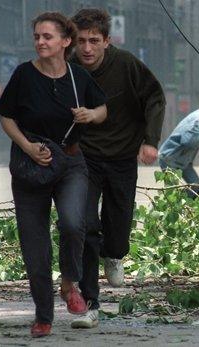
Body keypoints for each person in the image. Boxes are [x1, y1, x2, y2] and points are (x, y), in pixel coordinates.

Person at [0, 12, 107, 337]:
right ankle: (43, 315)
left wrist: (90, 114)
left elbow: (102, 109)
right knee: (35, 245)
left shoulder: (78, 77)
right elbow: (6, 118)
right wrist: (28, 147)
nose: (41, 42)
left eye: (47, 37)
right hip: (32, 168)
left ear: (65, 41)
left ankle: (70, 284)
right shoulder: (23, 75)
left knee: (74, 223)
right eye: (37, 37)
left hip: (71, 164)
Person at [70, 8, 166, 328]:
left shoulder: (125, 64)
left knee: (119, 220)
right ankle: (89, 299)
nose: (87, 48)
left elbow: (154, 96)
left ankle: (113, 255)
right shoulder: (67, 68)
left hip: (123, 155)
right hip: (84, 157)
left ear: (107, 41)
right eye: (81, 41)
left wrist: (150, 140)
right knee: (85, 221)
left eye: (94, 41)